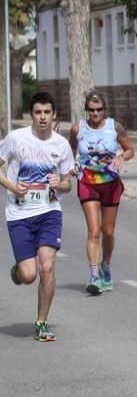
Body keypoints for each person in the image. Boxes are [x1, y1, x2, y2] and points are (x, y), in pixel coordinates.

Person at [2, 92, 75, 342]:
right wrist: (12, 187)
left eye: (47, 112)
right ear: (31, 114)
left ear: (53, 115)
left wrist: (60, 184)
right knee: (29, 274)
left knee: (47, 267)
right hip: (19, 214)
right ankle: (19, 272)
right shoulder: (15, 139)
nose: (42, 117)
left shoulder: (61, 145)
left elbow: (68, 184)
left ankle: (41, 322)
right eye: (38, 112)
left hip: (49, 212)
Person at [69, 90, 135, 295]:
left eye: (99, 110)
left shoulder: (114, 127)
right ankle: (94, 275)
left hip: (110, 183)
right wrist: (71, 165)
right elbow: (69, 150)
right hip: (87, 182)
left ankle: (106, 265)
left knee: (108, 231)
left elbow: (130, 149)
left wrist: (122, 157)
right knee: (94, 231)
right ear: (86, 110)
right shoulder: (78, 128)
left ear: (104, 110)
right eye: (91, 110)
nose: (95, 113)